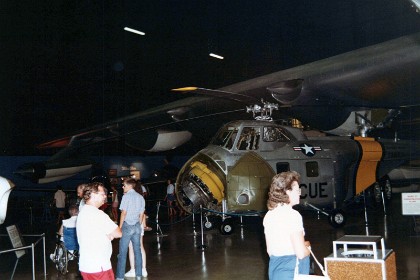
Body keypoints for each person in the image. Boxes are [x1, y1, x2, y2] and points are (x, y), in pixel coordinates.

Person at [263, 171, 311, 280]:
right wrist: (308, 248)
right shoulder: (293, 215)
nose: (299, 193)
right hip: (293, 271)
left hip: (275, 270)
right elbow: (301, 253)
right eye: (297, 190)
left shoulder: (269, 215)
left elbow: (270, 251)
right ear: (287, 191)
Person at [76, 182, 122, 279]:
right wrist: (110, 234)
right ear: (93, 195)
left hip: (86, 265)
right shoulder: (98, 214)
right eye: (102, 194)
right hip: (99, 267)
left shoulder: (83, 211)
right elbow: (118, 233)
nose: (105, 196)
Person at [116, 178, 145, 280]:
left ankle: (120, 277)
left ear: (129, 186)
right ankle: (138, 275)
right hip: (137, 225)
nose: (123, 187)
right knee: (137, 251)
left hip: (127, 225)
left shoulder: (126, 197)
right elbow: (142, 214)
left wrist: (119, 227)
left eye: (124, 185)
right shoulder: (141, 197)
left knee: (122, 253)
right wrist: (138, 224)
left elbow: (123, 213)